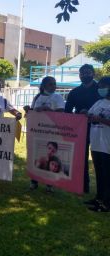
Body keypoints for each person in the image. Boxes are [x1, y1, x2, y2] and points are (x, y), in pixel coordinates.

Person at [24, 76, 65, 193]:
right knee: (36, 156)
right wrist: (28, 110)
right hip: (37, 132)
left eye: (54, 84)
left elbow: (61, 114)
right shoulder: (38, 97)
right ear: (44, 86)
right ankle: (34, 181)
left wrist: (48, 109)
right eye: (51, 84)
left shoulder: (58, 97)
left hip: (51, 132)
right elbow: (32, 112)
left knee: (51, 158)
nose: (53, 86)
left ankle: (49, 184)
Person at [64, 64, 100, 194]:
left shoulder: (100, 90)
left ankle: (102, 190)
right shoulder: (74, 92)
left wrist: (90, 113)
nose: (85, 75)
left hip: (99, 129)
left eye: (88, 72)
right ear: (79, 75)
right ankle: (84, 186)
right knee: (81, 158)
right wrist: (78, 115)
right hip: (80, 129)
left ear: (93, 73)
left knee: (99, 158)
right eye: (82, 73)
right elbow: (67, 111)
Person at [85, 76, 110, 212]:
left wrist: (99, 119)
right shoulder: (99, 102)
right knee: (99, 174)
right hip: (96, 144)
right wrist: (86, 115)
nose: (101, 89)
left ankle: (107, 203)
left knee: (108, 176)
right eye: (99, 86)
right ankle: (99, 198)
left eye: (103, 86)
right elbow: (89, 116)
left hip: (108, 146)